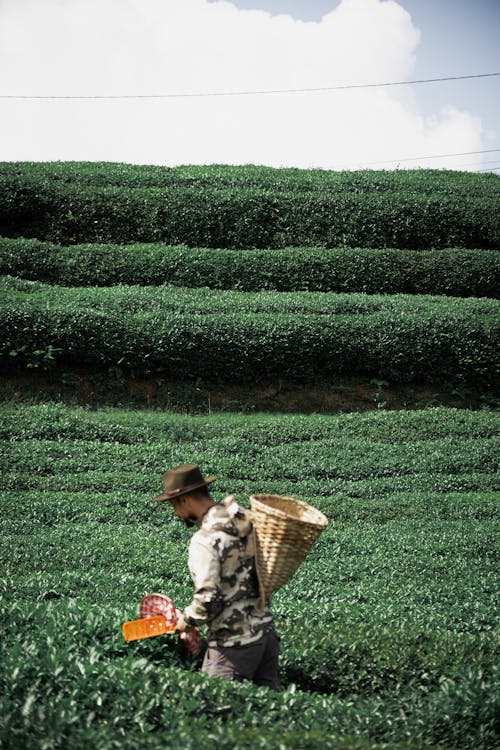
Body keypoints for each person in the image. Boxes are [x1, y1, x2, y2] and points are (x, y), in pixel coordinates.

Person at [155, 463, 281, 691]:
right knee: (272, 712)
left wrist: (186, 619)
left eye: (174, 505)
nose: (175, 512)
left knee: (216, 709)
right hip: (266, 634)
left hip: (233, 643)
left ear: (185, 500)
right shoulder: (245, 520)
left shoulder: (205, 540)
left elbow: (208, 600)